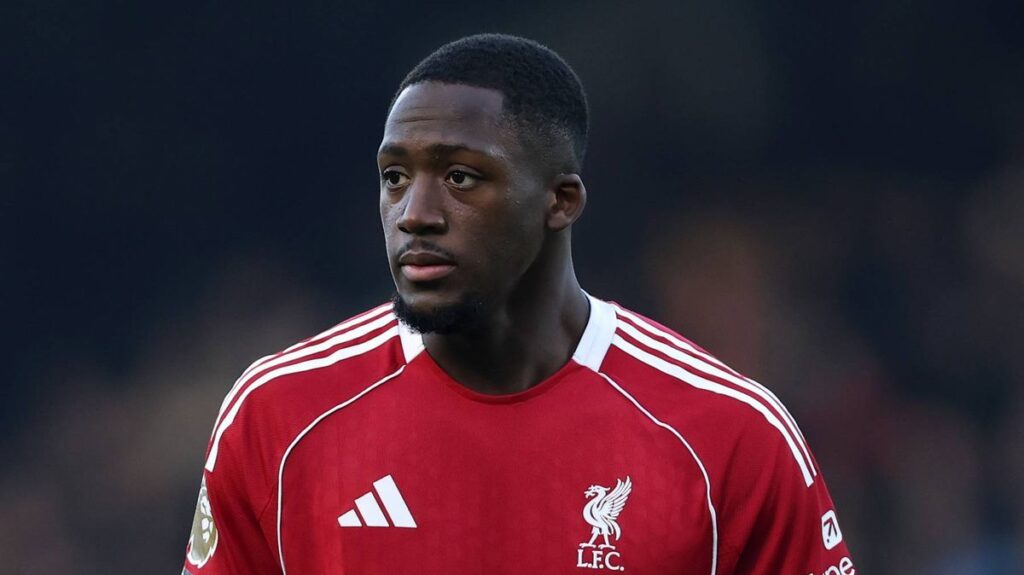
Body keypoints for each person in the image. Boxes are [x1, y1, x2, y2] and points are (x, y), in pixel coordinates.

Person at [182, 34, 855, 575]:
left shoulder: (729, 434)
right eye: (395, 177)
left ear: (560, 201)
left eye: (460, 176)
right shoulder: (282, 412)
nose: (414, 214)